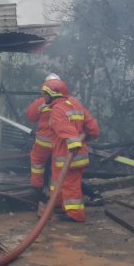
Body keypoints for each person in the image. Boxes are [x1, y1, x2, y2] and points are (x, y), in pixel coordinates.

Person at [25, 74, 104, 207]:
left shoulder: (44, 102)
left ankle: (38, 190)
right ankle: (60, 202)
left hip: (50, 144)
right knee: (66, 175)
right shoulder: (72, 102)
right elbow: (90, 126)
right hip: (63, 146)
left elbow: (31, 116)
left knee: (39, 164)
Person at [44, 78, 100, 222]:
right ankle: (57, 206)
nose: (44, 97)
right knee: (58, 183)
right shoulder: (75, 104)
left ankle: (75, 215)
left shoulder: (57, 110)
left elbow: (66, 131)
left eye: (45, 94)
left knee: (70, 186)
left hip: (68, 156)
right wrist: (83, 137)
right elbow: (93, 129)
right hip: (68, 157)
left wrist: (74, 143)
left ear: (54, 94)